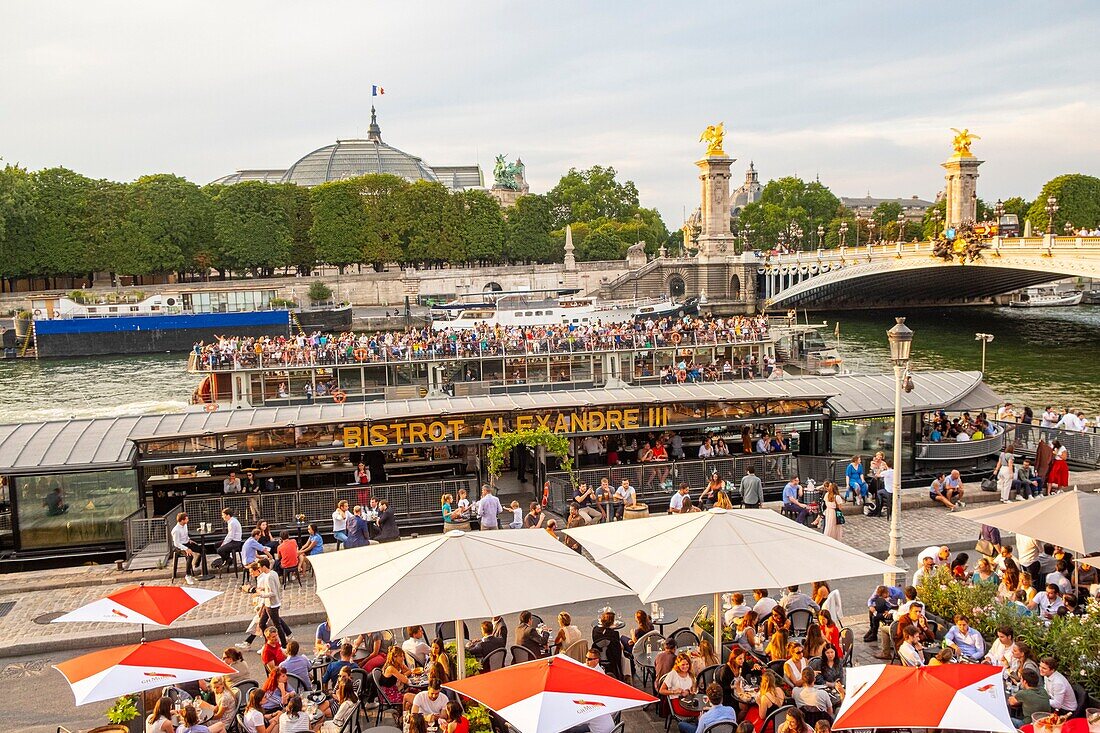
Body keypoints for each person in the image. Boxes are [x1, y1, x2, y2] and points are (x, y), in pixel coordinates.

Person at [255, 557, 288, 647]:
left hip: (272, 604)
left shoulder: (269, 577)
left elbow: (272, 592)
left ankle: (283, 644)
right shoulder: (273, 573)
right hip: (268, 604)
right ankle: (268, 643)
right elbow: (274, 587)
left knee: (277, 625)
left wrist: (261, 594)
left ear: (264, 566)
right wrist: (263, 588)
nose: (259, 569)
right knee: (262, 623)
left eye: (260, 567)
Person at [659, 653, 699, 720]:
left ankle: (697, 728)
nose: (685, 666)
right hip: (677, 702)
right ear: (678, 664)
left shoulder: (690, 674)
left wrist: (689, 691)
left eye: (687, 664)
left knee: (703, 710)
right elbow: (661, 690)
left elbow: (694, 689)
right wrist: (674, 691)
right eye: (683, 664)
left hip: (689, 701)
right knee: (701, 712)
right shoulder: (673, 674)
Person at [171, 511, 204, 585]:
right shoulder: (176, 530)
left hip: (186, 543)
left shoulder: (185, 525)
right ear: (182, 520)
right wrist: (186, 549)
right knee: (190, 556)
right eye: (186, 519)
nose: (188, 520)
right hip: (179, 547)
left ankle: (196, 564)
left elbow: (185, 536)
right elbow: (176, 543)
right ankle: (188, 575)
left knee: (201, 549)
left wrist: (189, 540)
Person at [591, 611, 623, 677]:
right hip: (612, 657)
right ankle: (625, 674)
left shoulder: (595, 630)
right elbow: (617, 647)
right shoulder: (615, 634)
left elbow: (595, 642)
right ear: (612, 622)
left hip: (598, 655)